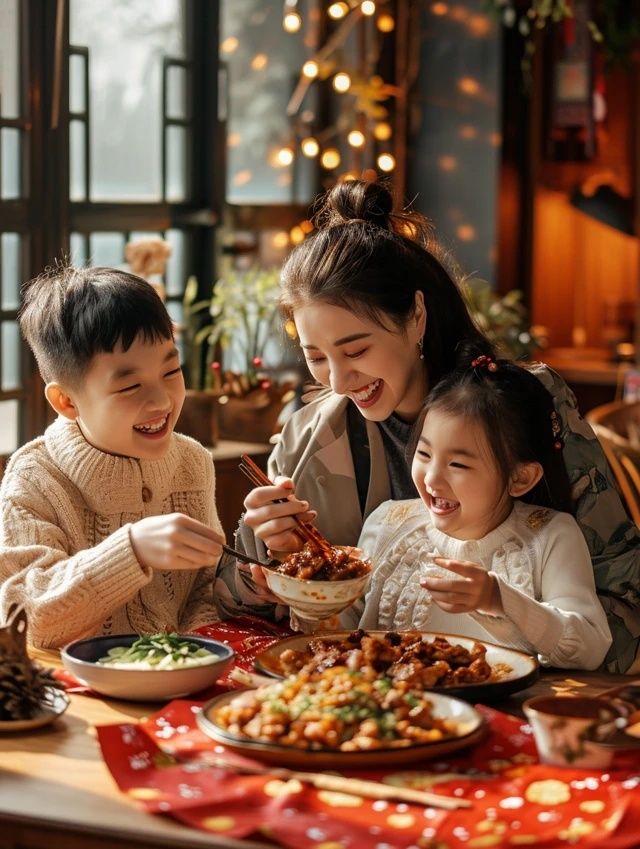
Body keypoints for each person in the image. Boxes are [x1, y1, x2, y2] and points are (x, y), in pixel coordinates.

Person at [214, 178, 640, 674]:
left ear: (416, 316)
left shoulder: (521, 406)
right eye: (315, 357)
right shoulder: (309, 438)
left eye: (355, 350)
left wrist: (521, 623)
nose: (338, 379)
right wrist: (271, 559)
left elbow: (624, 603)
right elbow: (242, 609)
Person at [342, 345, 612, 669]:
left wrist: (499, 598)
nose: (432, 478)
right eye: (424, 454)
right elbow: (339, 633)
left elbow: (590, 646)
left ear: (521, 477)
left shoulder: (550, 535)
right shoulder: (387, 524)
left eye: (458, 464)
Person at [0, 265, 225, 648]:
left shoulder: (192, 462)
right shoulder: (34, 478)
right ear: (66, 401)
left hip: (179, 685)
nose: (162, 401)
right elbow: (26, 616)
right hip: (78, 693)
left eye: (172, 371)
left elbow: (206, 590)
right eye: (131, 386)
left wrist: (192, 651)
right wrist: (130, 549)